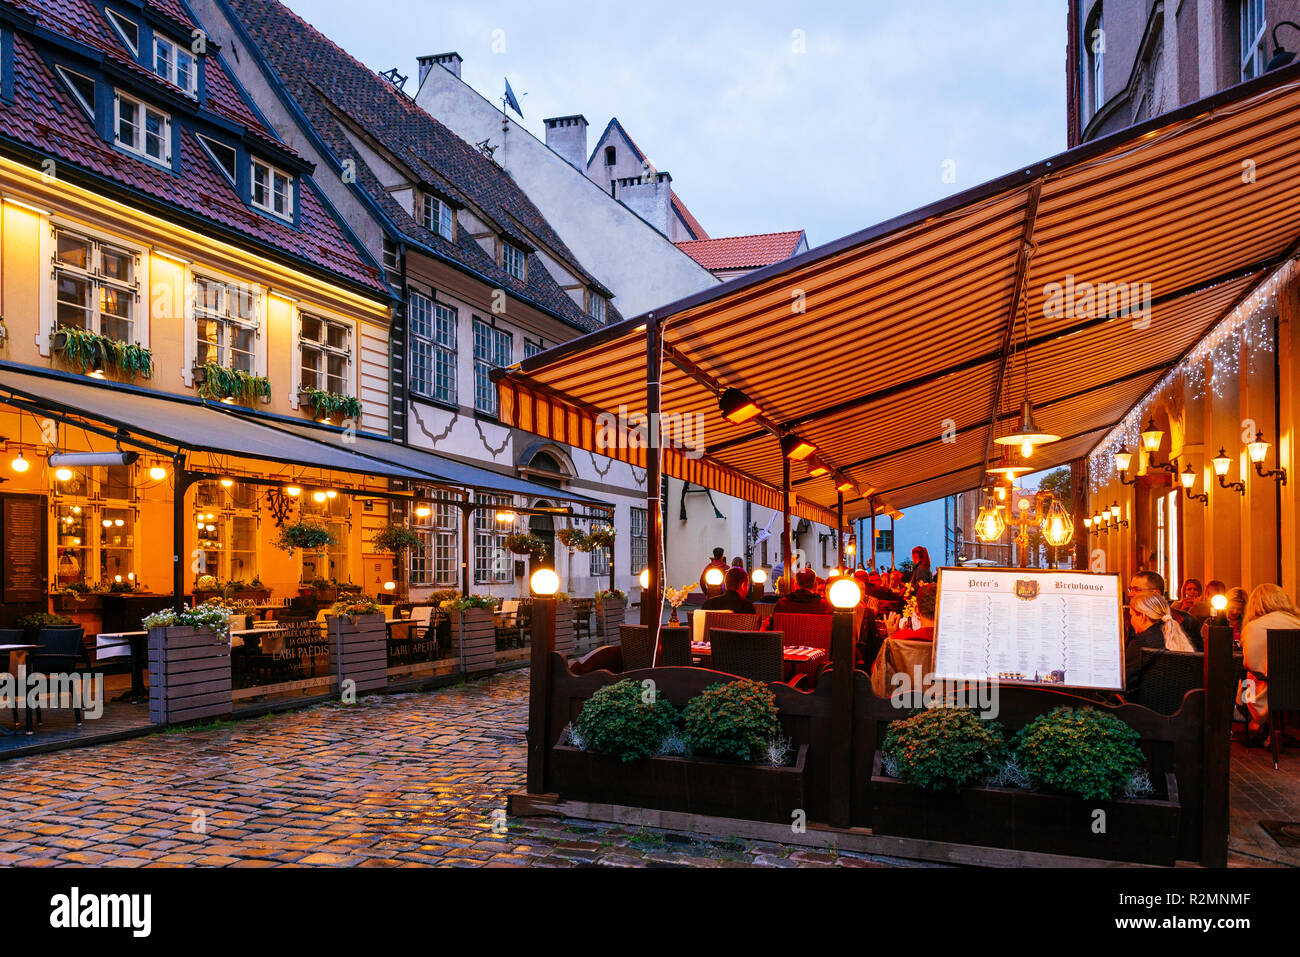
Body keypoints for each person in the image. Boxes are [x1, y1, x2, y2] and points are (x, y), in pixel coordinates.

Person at [1237, 584, 1300, 735]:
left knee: (1246, 680)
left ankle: (1250, 721)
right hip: (1296, 686)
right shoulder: (1297, 622)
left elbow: (1250, 663)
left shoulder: (1253, 627)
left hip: (1267, 689)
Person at [1126, 592, 1195, 691]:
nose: (1131, 620)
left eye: (1132, 615)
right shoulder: (1173, 634)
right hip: (1177, 703)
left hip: (1145, 703)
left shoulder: (1141, 641)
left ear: (1142, 616)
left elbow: (1126, 681)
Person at [1127, 571, 1198, 648]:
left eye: (1137, 589)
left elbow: (1196, 657)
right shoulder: (1126, 619)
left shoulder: (1186, 621)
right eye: (1130, 589)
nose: (1130, 594)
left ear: (1156, 594)